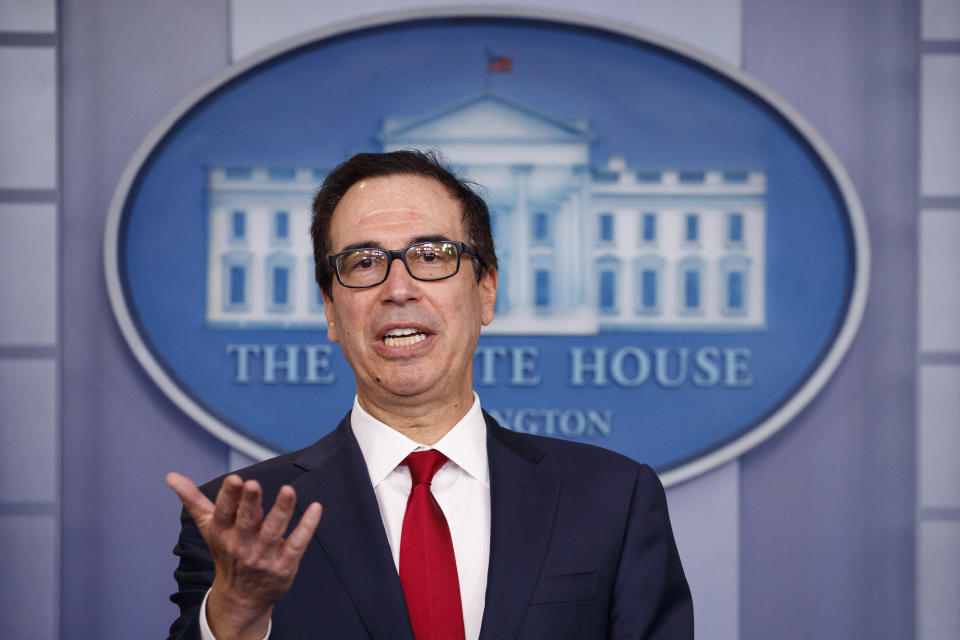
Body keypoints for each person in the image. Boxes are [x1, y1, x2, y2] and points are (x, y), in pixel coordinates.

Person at [166, 150, 693, 640]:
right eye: (364, 262)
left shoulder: (613, 499)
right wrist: (238, 611)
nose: (398, 288)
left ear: (485, 290)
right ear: (330, 308)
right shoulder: (239, 528)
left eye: (432, 254)